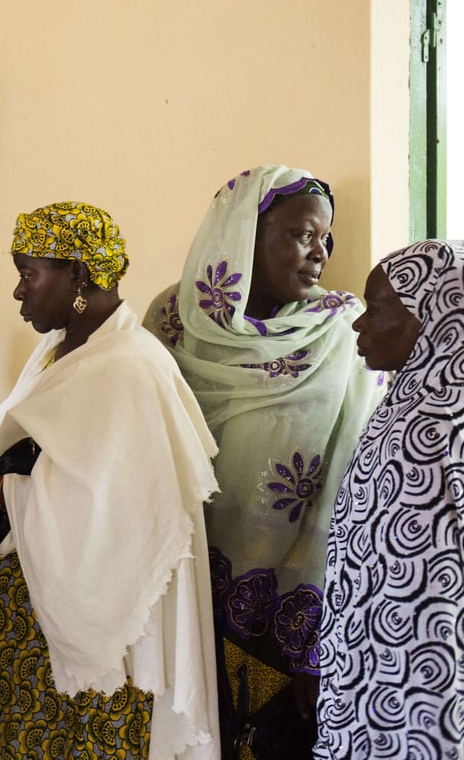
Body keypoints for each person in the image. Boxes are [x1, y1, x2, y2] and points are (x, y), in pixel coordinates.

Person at [0, 201, 221, 759]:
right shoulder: (62, 349)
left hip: (87, 652)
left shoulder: (129, 369)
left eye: (28, 274)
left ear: (79, 273)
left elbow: (123, 516)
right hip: (23, 627)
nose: (18, 293)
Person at [143, 165, 386, 758]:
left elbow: (348, 486)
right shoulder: (172, 321)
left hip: (288, 609)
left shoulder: (340, 330)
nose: (321, 254)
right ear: (241, 235)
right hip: (173, 596)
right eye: (304, 235)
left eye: (327, 239)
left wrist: (318, 639)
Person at [317, 240, 464, 759]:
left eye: (376, 308)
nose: (360, 324)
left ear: (433, 313)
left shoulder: (450, 415)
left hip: (429, 658)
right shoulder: (401, 398)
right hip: (370, 645)